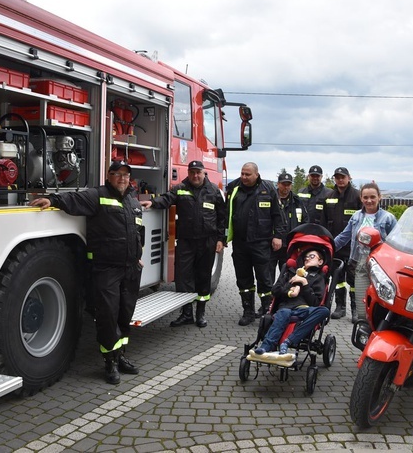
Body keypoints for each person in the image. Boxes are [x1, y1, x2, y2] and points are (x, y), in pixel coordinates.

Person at [29, 160, 144, 385]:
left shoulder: (133, 202)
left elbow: (139, 231)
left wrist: (139, 257)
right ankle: (109, 363)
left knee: (124, 315)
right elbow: (73, 200)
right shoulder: (97, 195)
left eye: (126, 175)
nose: (122, 178)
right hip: (106, 269)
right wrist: (52, 199)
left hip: (130, 269)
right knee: (108, 316)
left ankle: (120, 356)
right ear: (108, 176)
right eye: (117, 174)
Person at [141, 160, 226, 328]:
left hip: (207, 242)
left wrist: (221, 239)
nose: (195, 175)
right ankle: (186, 314)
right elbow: (166, 199)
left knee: (203, 279)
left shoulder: (214, 191)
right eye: (192, 172)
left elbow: (223, 218)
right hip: (186, 241)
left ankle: (200, 314)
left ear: (203, 173)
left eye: (198, 172)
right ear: (188, 173)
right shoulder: (180, 188)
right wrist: (152, 202)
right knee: (182, 278)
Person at [226, 162, 286, 326]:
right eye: (242, 174)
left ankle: (268, 312)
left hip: (261, 243)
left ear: (256, 174)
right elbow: (225, 213)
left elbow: (278, 216)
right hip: (240, 243)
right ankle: (248, 312)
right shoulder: (234, 188)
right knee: (243, 280)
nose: (244, 177)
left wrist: (278, 236)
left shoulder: (268, 189)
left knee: (264, 280)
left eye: (248, 174)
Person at [333, 182, 397, 322]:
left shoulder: (388, 218)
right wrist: (328, 248)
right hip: (358, 264)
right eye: (365, 197)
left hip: (380, 266)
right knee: (360, 296)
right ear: (361, 198)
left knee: (379, 300)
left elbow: (397, 242)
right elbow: (344, 236)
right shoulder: (356, 217)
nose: (369, 200)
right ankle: (360, 318)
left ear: (379, 197)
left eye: (373, 197)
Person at [253, 248, 330, 355]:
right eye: (306, 257)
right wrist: (289, 292)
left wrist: (304, 283)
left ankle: (289, 341)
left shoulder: (318, 278)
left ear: (320, 261)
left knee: (324, 311)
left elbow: (315, 302)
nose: (307, 258)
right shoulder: (290, 273)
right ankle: (266, 347)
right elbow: (275, 290)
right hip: (286, 308)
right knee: (284, 312)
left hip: (304, 310)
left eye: (312, 256)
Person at [322, 167, 362, 322]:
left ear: (349, 178)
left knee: (354, 281)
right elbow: (324, 221)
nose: (340, 180)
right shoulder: (329, 196)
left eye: (342, 177)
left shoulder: (357, 196)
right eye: (337, 177)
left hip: (353, 248)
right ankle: (340, 307)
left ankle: (356, 310)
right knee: (338, 279)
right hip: (336, 246)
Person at [268, 172, 308, 283]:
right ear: (278, 184)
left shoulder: (297, 201)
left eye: (288, 184)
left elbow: (305, 221)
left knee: (289, 275)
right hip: (272, 245)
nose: (286, 187)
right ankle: (270, 298)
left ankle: (285, 297)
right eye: (283, 184)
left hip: (290, 246)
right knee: (268, 276)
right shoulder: (270, 199)